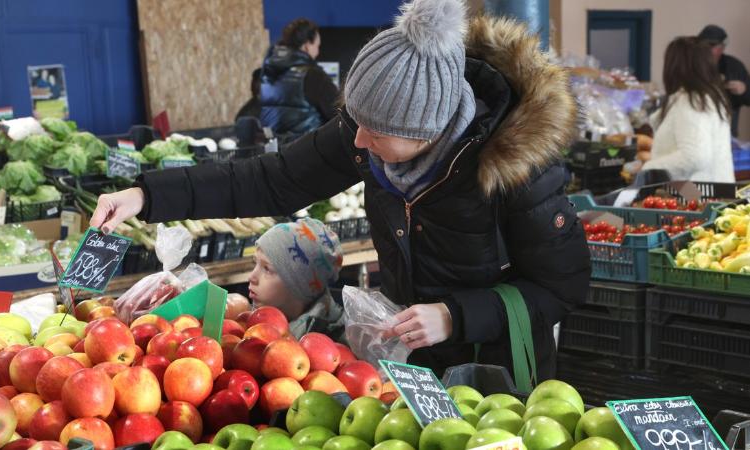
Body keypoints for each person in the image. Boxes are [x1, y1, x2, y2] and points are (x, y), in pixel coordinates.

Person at [90, 0, 591, 380]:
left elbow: (563, 288)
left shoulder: (519, 169)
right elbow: (270, 179)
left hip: (497, 379)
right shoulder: (368, 138)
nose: (357, 139)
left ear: (427, 129)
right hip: (409, 371)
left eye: (374, 131)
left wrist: (454, 317)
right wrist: (146, 197)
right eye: (355, 120)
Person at [641, 37, 734, 182]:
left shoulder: (692, 101)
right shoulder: (708, 97)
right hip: (706, 196)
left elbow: (695, 157)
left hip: (701, 198)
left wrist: (649, 168)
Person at [246, 218, 345, 341]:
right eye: (255, 263)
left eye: (267, 269)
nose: (251, 277)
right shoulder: (253, 318)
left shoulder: (333, 339)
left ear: (298, 286)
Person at [260, 18, 339, 139]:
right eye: (317, 46)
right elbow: (339, 116)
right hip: (306, 153)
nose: (317, 51)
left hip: (273, 154)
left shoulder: (267, 73)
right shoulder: (313, 75)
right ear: (307, 46)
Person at [698, 25, 750, 136]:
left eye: (712, 45)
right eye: (703, 45)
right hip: (697, 130)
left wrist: (744, 90)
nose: (707, 50)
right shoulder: (691, 66)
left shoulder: (734, 67)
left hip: (727, 133)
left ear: (722, 47)